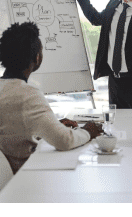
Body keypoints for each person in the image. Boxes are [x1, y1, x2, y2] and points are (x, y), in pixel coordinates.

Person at [0, 22, 102, 174]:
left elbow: (13, 131)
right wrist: (88, 131)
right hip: (25, 176)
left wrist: (52, 125)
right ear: (37, 57)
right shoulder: (28, 95)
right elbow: (65, 141)